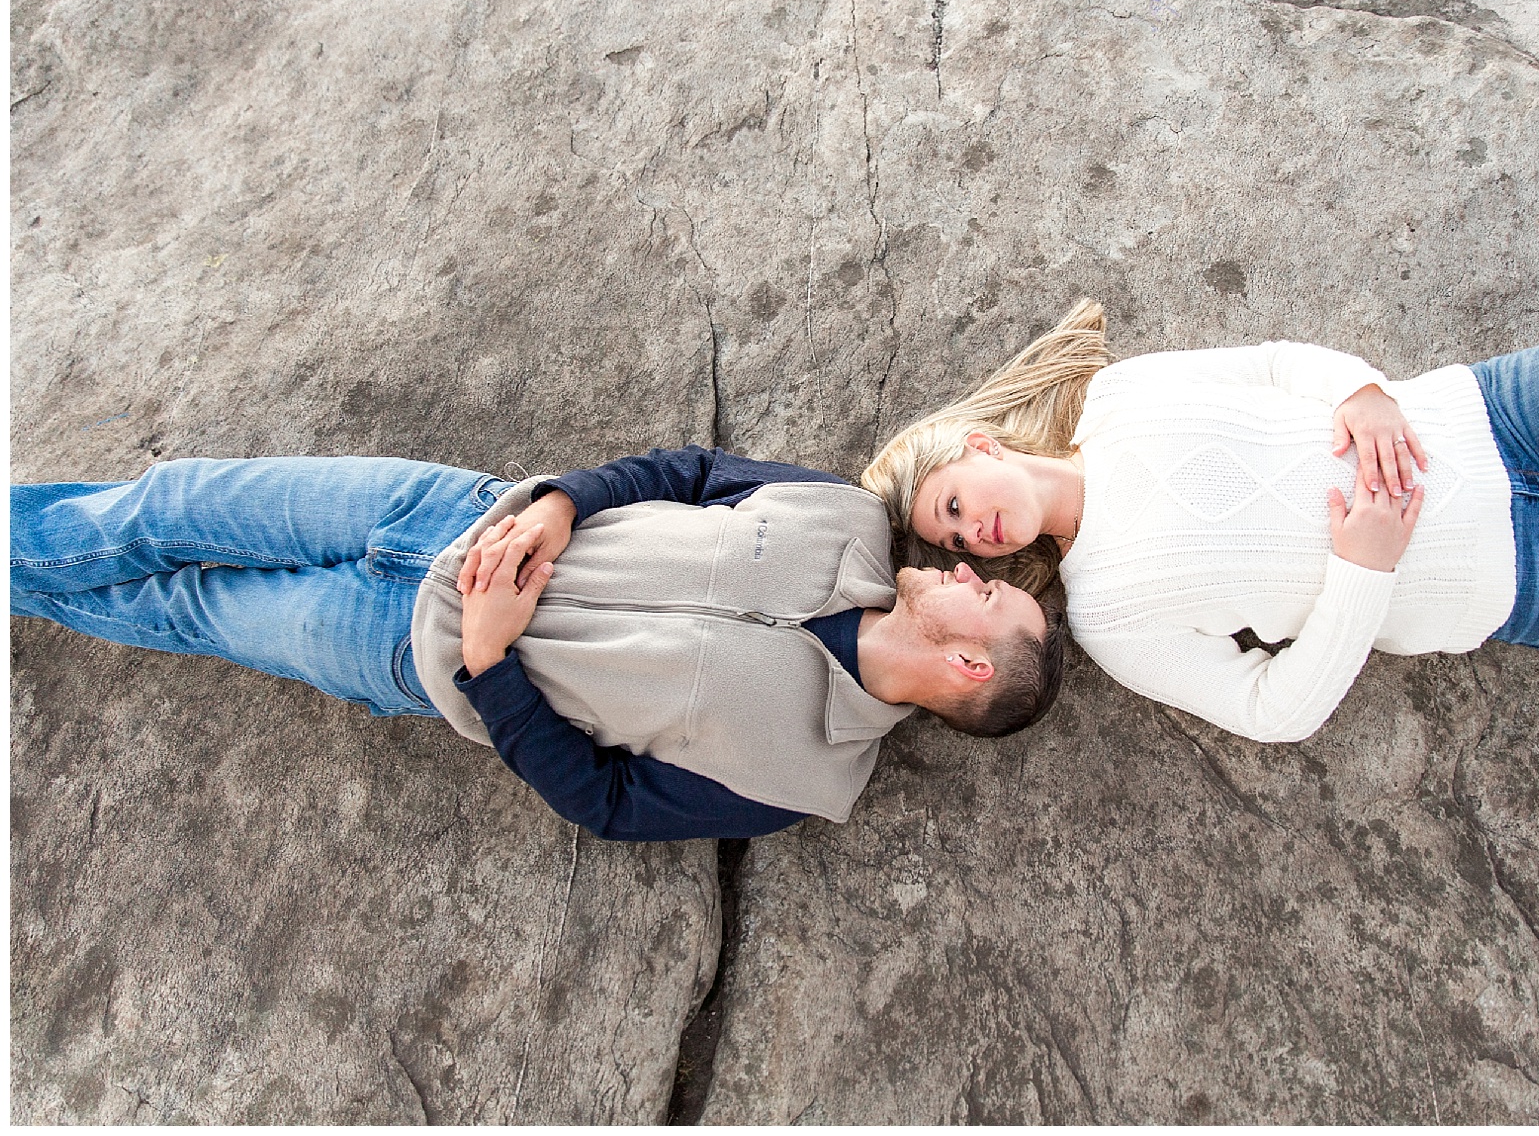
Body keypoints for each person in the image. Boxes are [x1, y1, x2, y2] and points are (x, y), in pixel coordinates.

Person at [862, 297, 1539, 744]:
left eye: (952, 505)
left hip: (1495, 414)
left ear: (979, 444)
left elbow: (1270, 364)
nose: (971, 534)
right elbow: (1274, 710)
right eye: (953, 544)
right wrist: (1364, 569)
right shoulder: (1106, 616)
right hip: (1525, 579)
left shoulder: (1120, 395)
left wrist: (1363, 389)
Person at [12, 447, 1065, 841]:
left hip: (397, 647)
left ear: (970, 668)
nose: (970, 568)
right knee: (170, 500)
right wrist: (563, 503)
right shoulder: (840, 513)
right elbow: (686, 470)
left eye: (989, 598)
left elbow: (606, 802)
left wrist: (489, 658)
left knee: (185, 608)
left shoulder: (803, 777)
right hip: (445, 506)